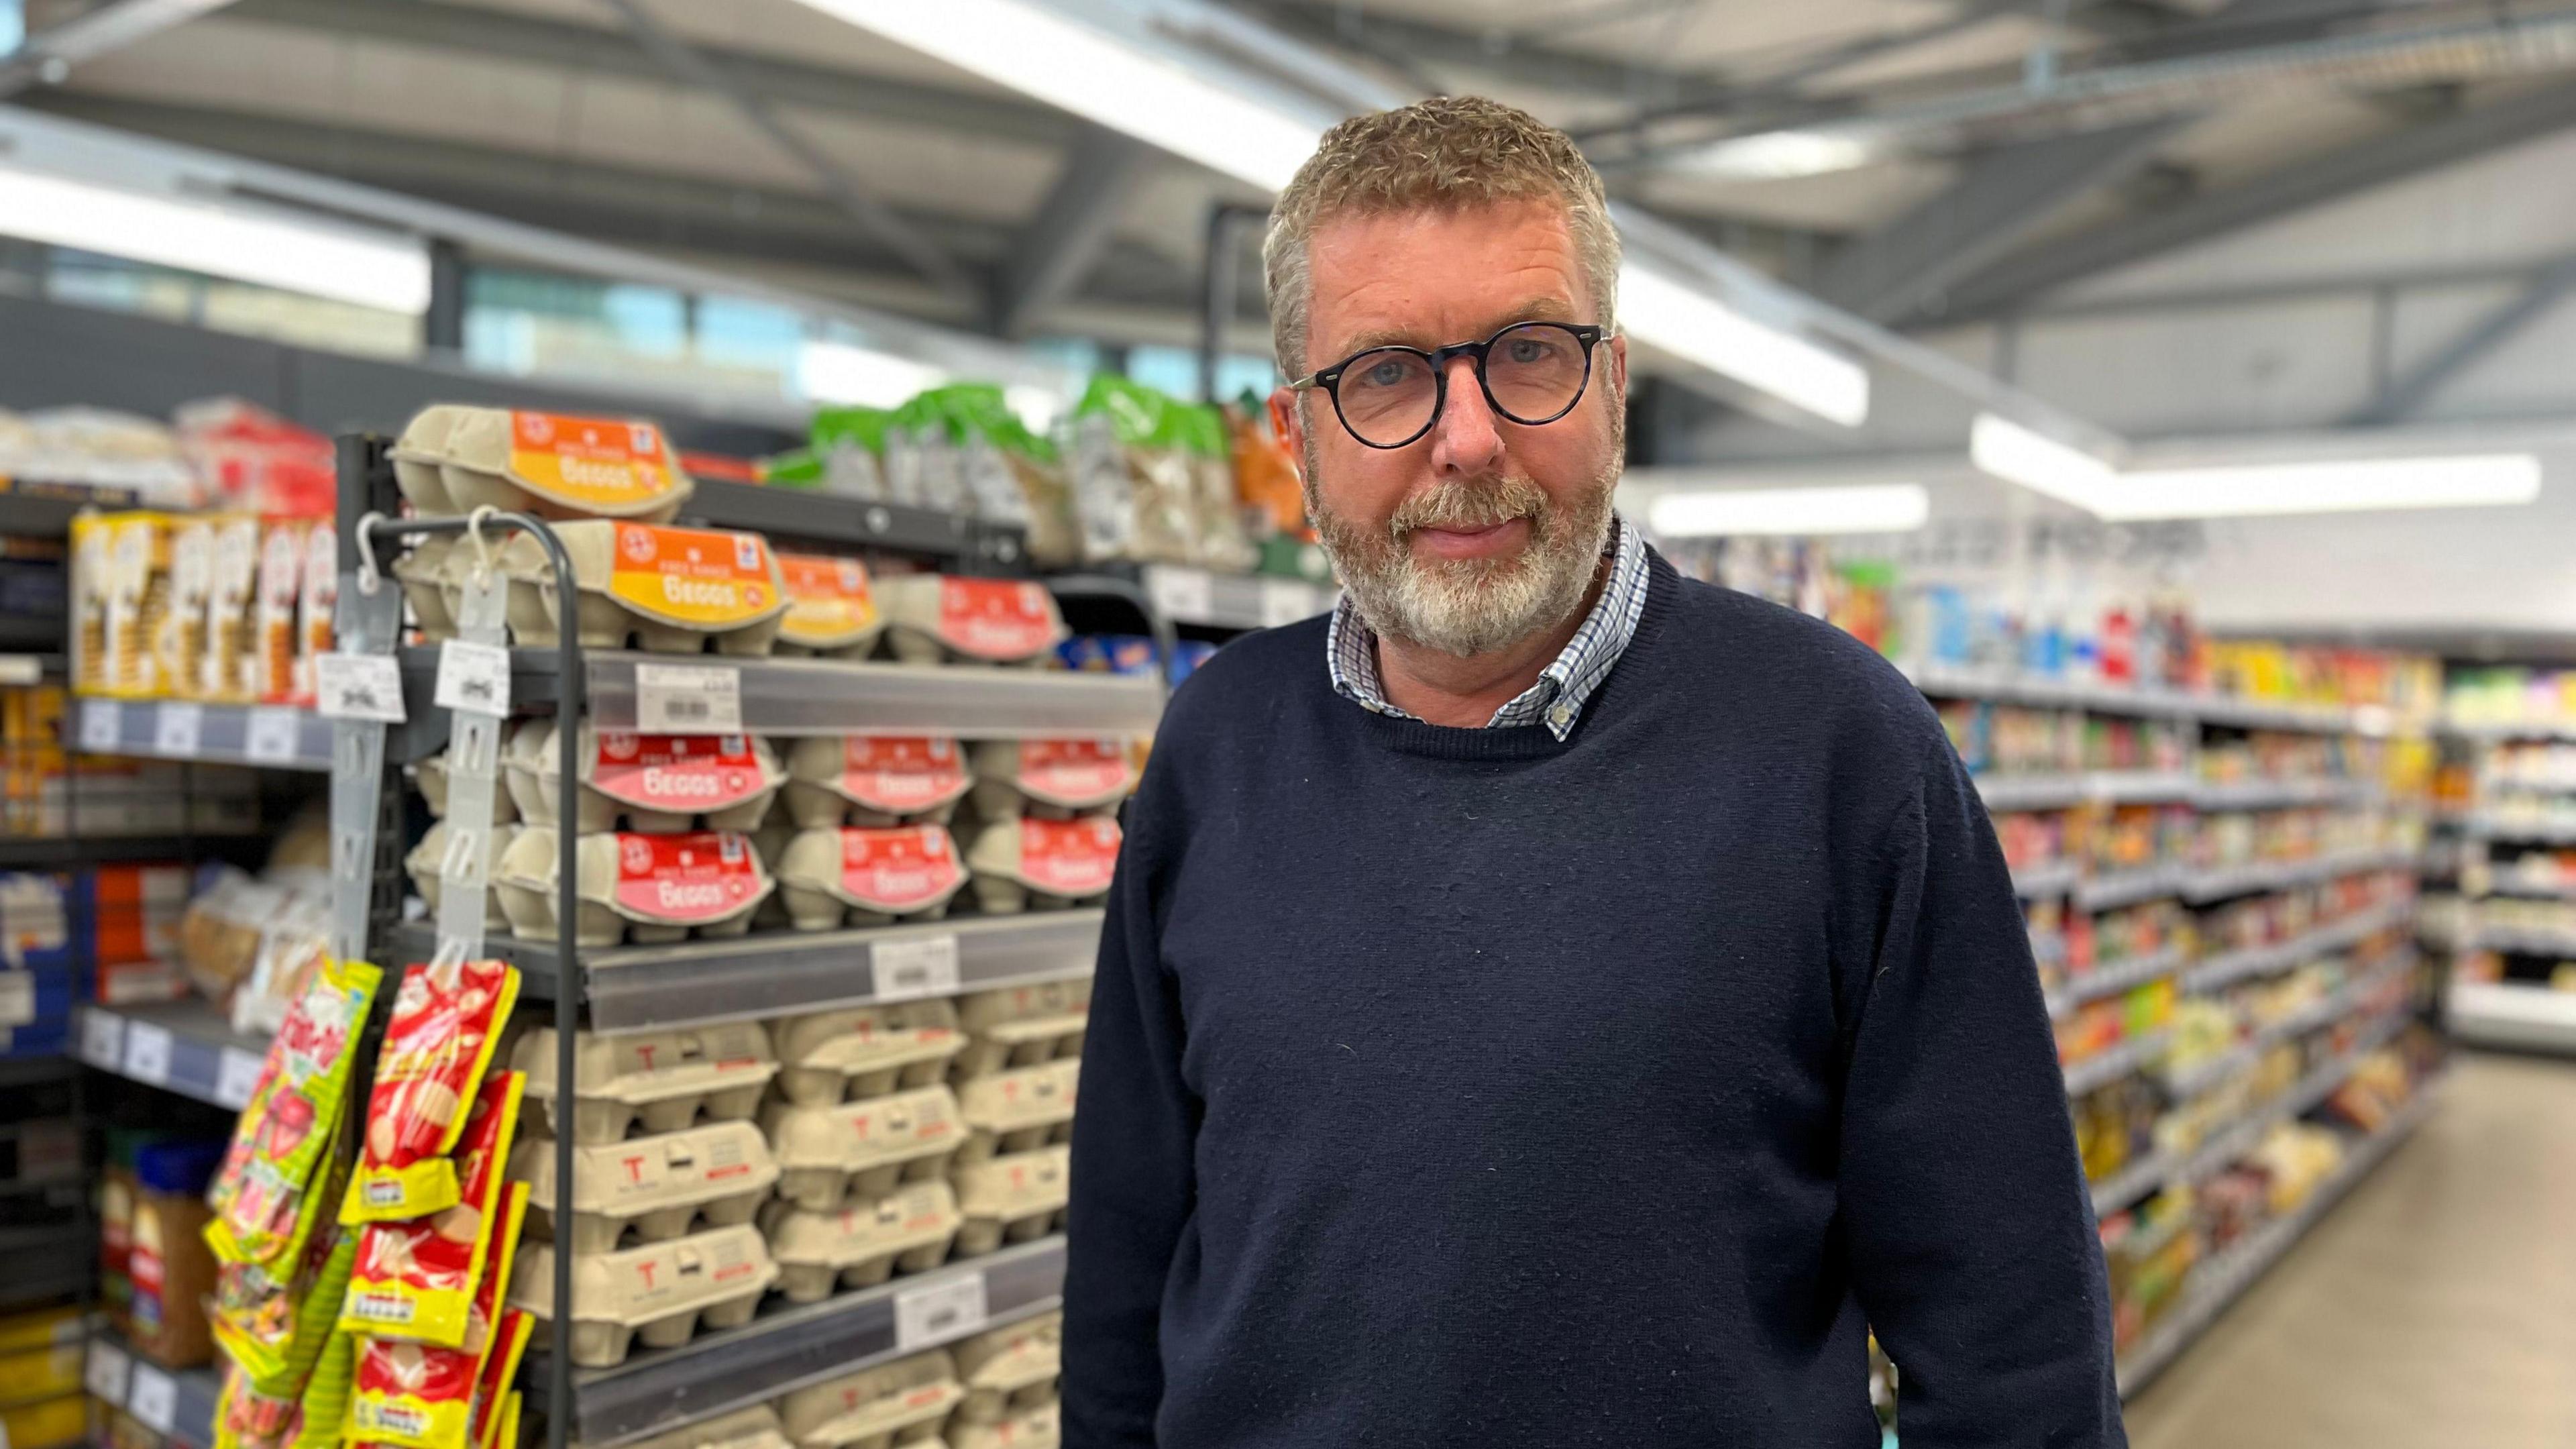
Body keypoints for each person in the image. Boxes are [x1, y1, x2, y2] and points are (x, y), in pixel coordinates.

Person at [1061, 95, 2125, 1449]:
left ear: (1614, 383)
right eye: (1385, 373)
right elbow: (1125, 1270)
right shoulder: (1213, 749)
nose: (1466, 439)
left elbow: (2014, 1341)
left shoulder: (1843, 753)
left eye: (1527, 354)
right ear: (1295, 437)